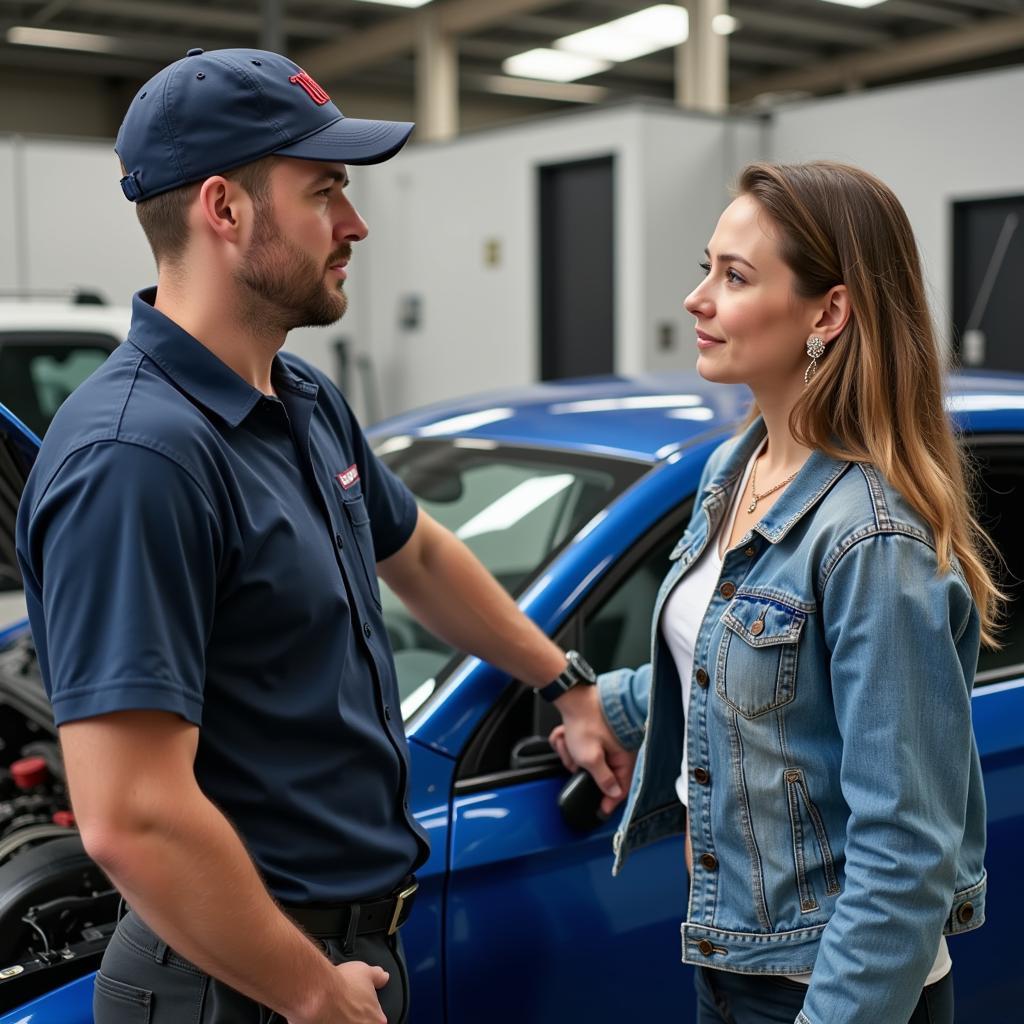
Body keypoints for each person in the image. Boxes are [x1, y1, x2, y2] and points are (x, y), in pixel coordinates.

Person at [15, 47, 606, 1024]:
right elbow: (131, 814)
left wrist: (561, 679)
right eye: (326, 189)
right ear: (225, 208)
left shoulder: (299, 399)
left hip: (333, 959)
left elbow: (413, 549)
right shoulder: (139, 457)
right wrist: (308, 994)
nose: (356, 222)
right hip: (236, 981)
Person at [551, 161, 998, 1024]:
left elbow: (906, 853)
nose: (697, 298)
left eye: (735, 275)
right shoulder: (737, 465)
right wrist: (606, 704)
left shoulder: (875, 540)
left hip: (835, 987)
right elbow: (740, 667)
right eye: (705, 266)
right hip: (731, 960)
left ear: (828, 312)